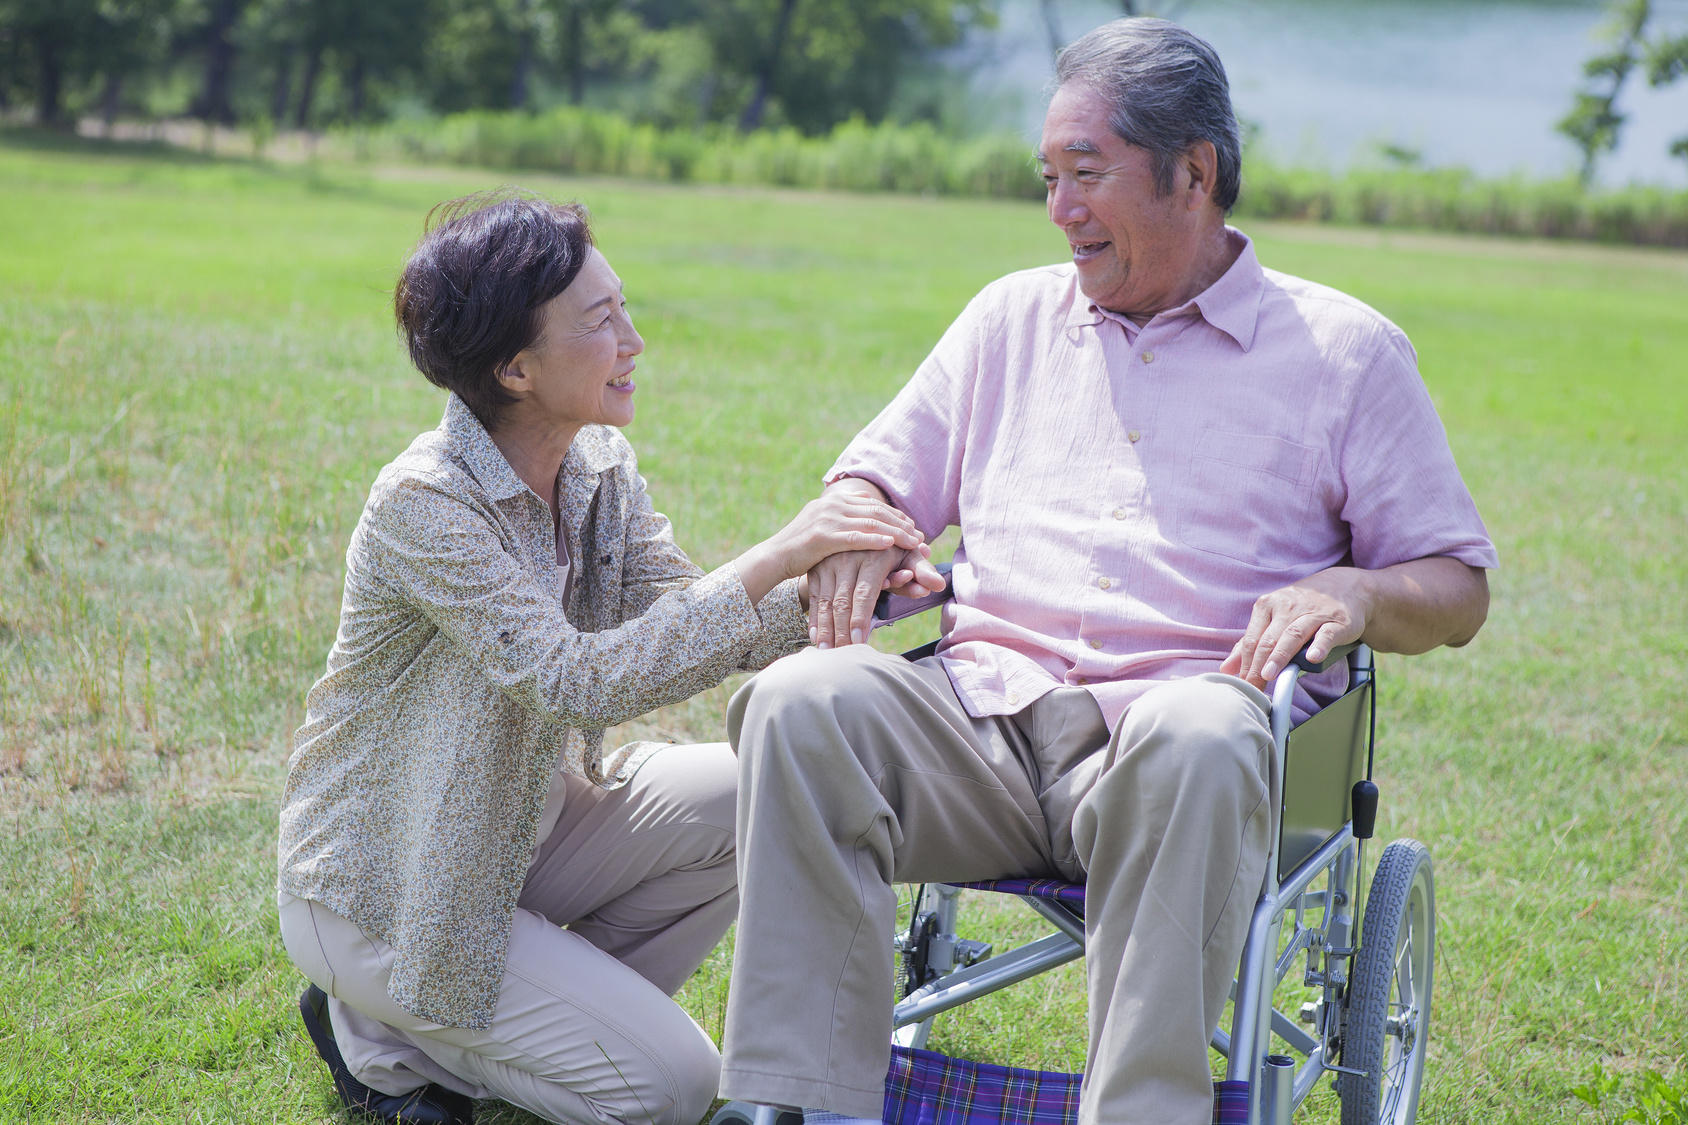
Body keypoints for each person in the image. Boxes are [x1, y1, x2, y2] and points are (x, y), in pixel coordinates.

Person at [719, 17, 1497, 1125]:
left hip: (1176, 748)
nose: (1058, 210)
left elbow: (1456, 584)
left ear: (1194, 173)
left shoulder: (1344, 355)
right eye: (1046, 177)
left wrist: (1357, 591)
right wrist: (860, 526)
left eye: (1086, 175)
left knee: (1197, 730)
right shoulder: (1007, 319)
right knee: (800, 702)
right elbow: (875, 482)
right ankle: (799, 1105)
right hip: (979, 726)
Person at [275, 191, 926, 1125]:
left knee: (769, 790)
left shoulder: (598, 466)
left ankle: (450, 1025)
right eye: (601, 319)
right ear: (515, 368)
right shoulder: (423, 503)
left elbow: (684, 619)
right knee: (675, 1087)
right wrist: (782, 549)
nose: (635, 339)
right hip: (395, 888)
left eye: (623, 307)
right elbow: (579, 677)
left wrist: (864, 591)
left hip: (526, 838)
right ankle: (384, 1037)